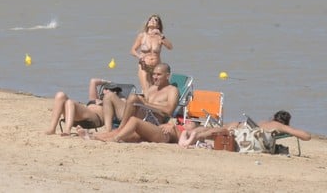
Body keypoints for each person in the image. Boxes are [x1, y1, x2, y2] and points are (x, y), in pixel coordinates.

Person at [97, 63, 180, 140]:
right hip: (139, 114)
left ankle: (120, 129)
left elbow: (169, 110)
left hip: (152, 121)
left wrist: (145, 103)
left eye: (158, 74)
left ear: (167, 76)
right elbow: (143, 102)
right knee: (109, 96)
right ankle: (108, 130)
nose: (155, 77)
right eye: (154, 74)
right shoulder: (152, 88)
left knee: (133, 97)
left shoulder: (172, 90)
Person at [177, 110, 311, 149]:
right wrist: (289, 129)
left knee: (216, 130)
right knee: (217, 133)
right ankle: (194, 136)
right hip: (245, 134)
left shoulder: (266, 122)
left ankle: (189, 132)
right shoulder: (280, 126)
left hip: (241, 124)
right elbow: (306, 136)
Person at [130, 14, 173, 95]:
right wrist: (139, 56)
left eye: (155, 20)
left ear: (158, 25)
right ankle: (148, 105)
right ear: (147, 23)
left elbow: (170, 47)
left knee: (156, 90)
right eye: (150, 19)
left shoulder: (160, 37)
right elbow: (132, 50)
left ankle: (154, 105)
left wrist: (161, 35)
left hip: (156, 67)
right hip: (144, 66)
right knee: (146, 89)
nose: (152, 20)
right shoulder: (142, 35)